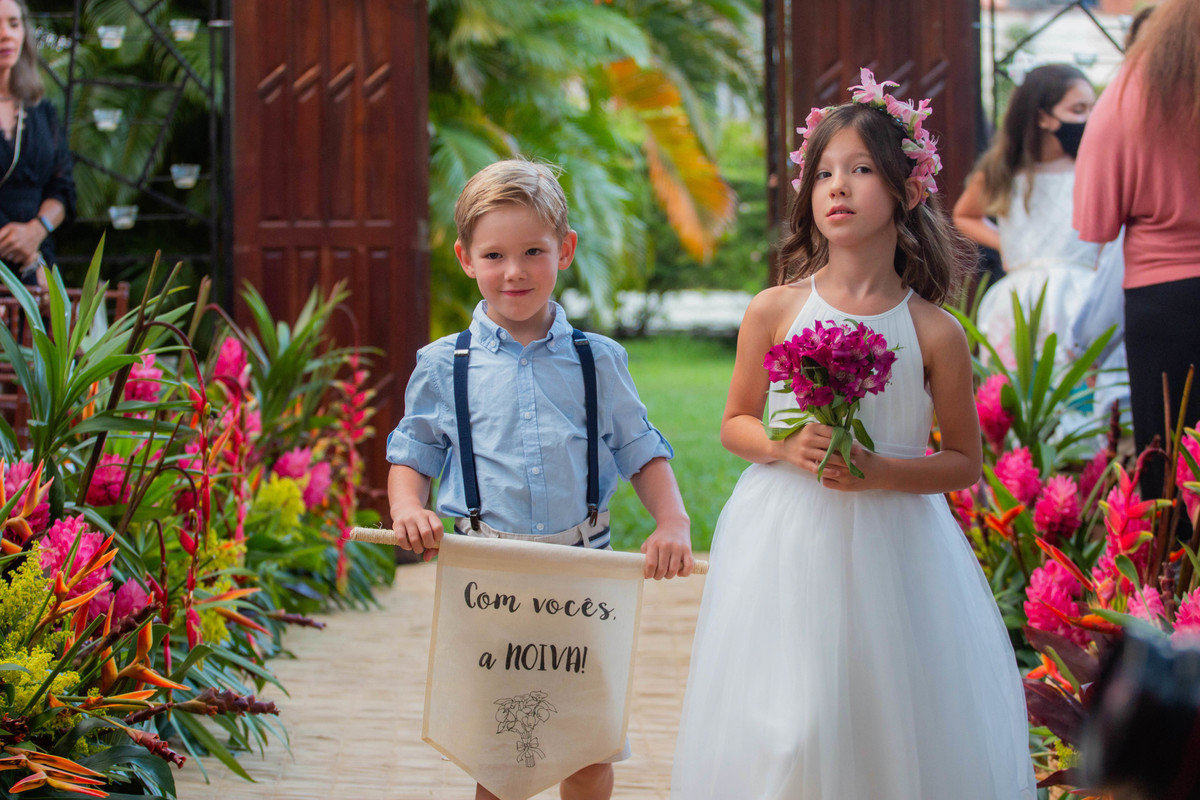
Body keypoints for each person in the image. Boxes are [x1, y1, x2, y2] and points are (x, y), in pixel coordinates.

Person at [670, 71, 1036, 800]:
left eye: (861, 170)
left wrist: (884, 472)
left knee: (882, 707)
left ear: (905, 190)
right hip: (786, 537)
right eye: (825, 172)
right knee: (792, 716)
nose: (837, 186)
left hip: (895, 546)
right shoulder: (774, 309)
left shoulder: (936, 332)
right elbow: (736, 422)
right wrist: (783, 446)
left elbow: (964, 461)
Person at [386, 158, 693, 800]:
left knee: (587, 747)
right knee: (499, 755)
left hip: (581, 573)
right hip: (486, 577)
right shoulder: (444, 365)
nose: (515, 271)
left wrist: (673, 521)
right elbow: (413, 450)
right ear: (466, 259)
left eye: (534, 251)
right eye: (494, 254)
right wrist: (407, 507)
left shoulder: (598, 361)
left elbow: (639, 447)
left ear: (566, 250)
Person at [1073, 0, 1200, 506]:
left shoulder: (1137, 83)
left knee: (1168, 448)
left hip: (1161, 298)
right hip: (1161, 296)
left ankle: (1173, 578)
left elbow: (1095, 221)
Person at [953, 64, 1103, 372]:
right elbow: (965, 214)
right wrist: (1007, 244)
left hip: (1080, 297)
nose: (1088, 118)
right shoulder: (1004, 171)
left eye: (1092, 109)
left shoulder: (1091, 170)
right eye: (1078, 109)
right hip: (1019, 302)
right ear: (1043, 116)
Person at [0, 0, 74, 288]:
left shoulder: (42, 111)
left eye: (13, 24)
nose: (6, 34)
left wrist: (36, 231)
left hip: (39, 265)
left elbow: (63, 188)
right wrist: (25, 250)